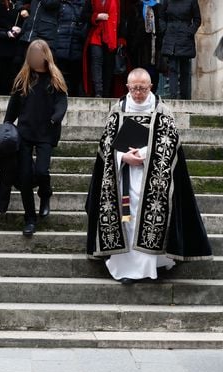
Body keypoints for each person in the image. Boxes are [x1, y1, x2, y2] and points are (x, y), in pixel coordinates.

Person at [85, 68, 212, 284]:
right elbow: (106, 143)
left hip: (153, 177)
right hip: (122, 177)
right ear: (127, 87)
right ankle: (124, 268)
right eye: (133, 88)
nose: (137, 93)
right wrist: (123, 157)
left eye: (142, 88)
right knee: (127, 219)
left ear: (150, 87)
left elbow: (169, 143)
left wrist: (144, 155)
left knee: (148, 218)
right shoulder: (117, 110)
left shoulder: (162, 111)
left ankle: (147, 268)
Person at [4, 39, 68, 236]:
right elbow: (13, 105)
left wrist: (55, 118)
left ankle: (45, 193)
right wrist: (6, 125)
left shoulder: (54, 78)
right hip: (24, 132)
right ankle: (30, 218)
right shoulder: (23, 78)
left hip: (46, 133)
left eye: (39, 54)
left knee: (41, 171)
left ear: (45, 56)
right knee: (24, 178)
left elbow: (62, 102)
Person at [159, 0, 201, 100]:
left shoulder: (192, 1)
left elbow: (197, 19)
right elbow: (161, 17)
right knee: (172, 67)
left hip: (185, 37)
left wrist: (190, 31)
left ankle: (185, 97)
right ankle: (173, 96)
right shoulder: (167, 1)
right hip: (171, 35)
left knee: (185, 69)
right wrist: (164, 29)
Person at [81, 0, 123, 97]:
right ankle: (98, 92)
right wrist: (96, 16)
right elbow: (84, 15)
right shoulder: (91, 1)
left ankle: (106, 93)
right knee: (96, 62)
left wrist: (121, 38)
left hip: (112, 38)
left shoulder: (117, 1)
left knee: (108, 65)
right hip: (96, 36)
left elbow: (120, 20)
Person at [126, 0, 162, 92]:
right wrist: (133, 45)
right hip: (139, 47)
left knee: (153, 72)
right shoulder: (136, 7)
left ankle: (153, 93)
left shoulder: (158, 8)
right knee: (140, 71)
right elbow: (130, 28)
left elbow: (161, 27)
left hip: (154, 46)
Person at [0, 0, 22, 95]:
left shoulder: (19, 4)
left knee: (13, 70)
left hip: (16, 43)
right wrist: (5, 32)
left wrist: (19, 29)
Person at [54, 0, 87, 97]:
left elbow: (85, 21)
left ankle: (72, 93)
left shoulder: (84, 4)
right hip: (61, 40)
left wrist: (82, 33)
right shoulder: (61, 4)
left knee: (75, 72)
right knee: (60, 70)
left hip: (76, 41)